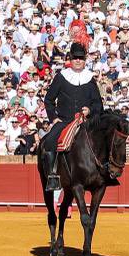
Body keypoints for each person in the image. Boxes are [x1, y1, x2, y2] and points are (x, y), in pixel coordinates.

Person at [41, 42, 104, 191]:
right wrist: (54, 118)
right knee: (49, 141)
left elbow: (99, 105)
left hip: (85, 123)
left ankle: (105, 173)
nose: (78, 61)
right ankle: (52, 177)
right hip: (64, 121)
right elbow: (49, 100)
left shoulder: (90, 79)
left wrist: (90, 110)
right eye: (75, 58)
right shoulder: (62, 77)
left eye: (81, 58)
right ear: (70, 58)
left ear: (85, 60)